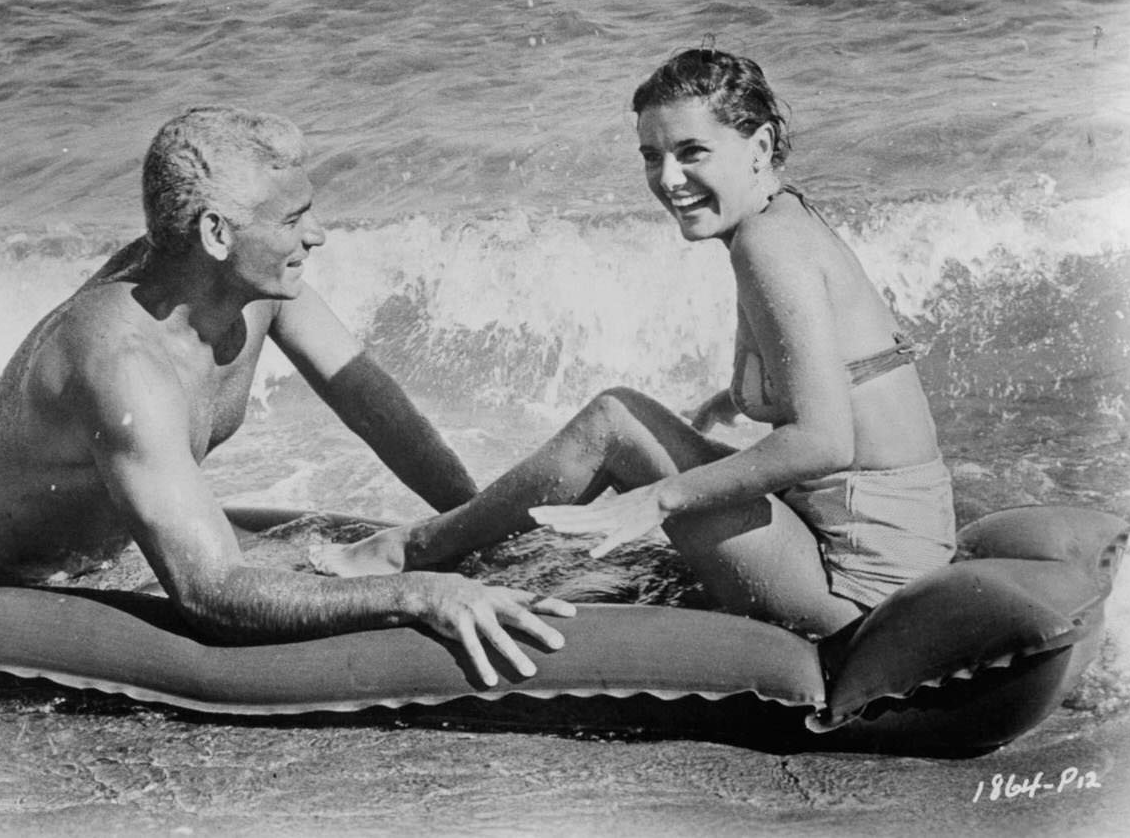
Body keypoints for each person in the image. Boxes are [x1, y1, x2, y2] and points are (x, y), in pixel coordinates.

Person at [0, 106, 574, 682]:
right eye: (294, 218)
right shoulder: (123, 359)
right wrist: (418, 593)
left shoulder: (249, 288)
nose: (316, 234)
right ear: (216, 233)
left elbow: (371, 402)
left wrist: (476, 522)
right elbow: (211, 591)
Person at [315, 49, 956, 637]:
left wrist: (654, 497)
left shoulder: (767, 246)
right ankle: (445, 537)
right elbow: (831, 367)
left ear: (759, 145)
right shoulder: (781, 218)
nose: (669, 178)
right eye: (652, 155)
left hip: (862, 583)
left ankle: (413, 549)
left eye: (692, 152)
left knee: (614, 422)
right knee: (622, 419)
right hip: (892, 543)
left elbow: (824, 440)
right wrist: (723, 406)